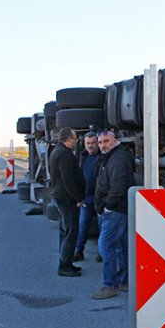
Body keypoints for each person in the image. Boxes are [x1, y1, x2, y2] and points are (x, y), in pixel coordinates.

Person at [92, 130, 135, 299]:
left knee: (105, 246)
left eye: (106, 141)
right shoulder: (109, 157)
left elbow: (118, 186)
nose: (103, 145)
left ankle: (109, 285)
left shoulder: (118, 159)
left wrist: (108, 207)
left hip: (116, 210)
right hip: (114, 209)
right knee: (120, 246)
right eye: (100, 142)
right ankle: (124, 281)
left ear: (115, 140)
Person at [49, 127, 86, 277]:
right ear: (68, 139)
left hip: (61, 197)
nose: (76, 141)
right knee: (70, 232)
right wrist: (78, 197)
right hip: (66, 199)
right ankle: (64, 266)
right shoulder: (64, 154)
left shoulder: (58, 151)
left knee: (65, 232)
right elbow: (67, 179)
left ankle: (66, 262)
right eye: (75, 138)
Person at [73, 131, 101, 263]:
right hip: (86, 197)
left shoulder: (103, 157)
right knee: (83, 225)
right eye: (88, 143)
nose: (90, 146)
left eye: (93, 143)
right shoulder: (82, 157)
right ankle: (79, 251)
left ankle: (102, 253)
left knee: (103, 226)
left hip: (100, 197)